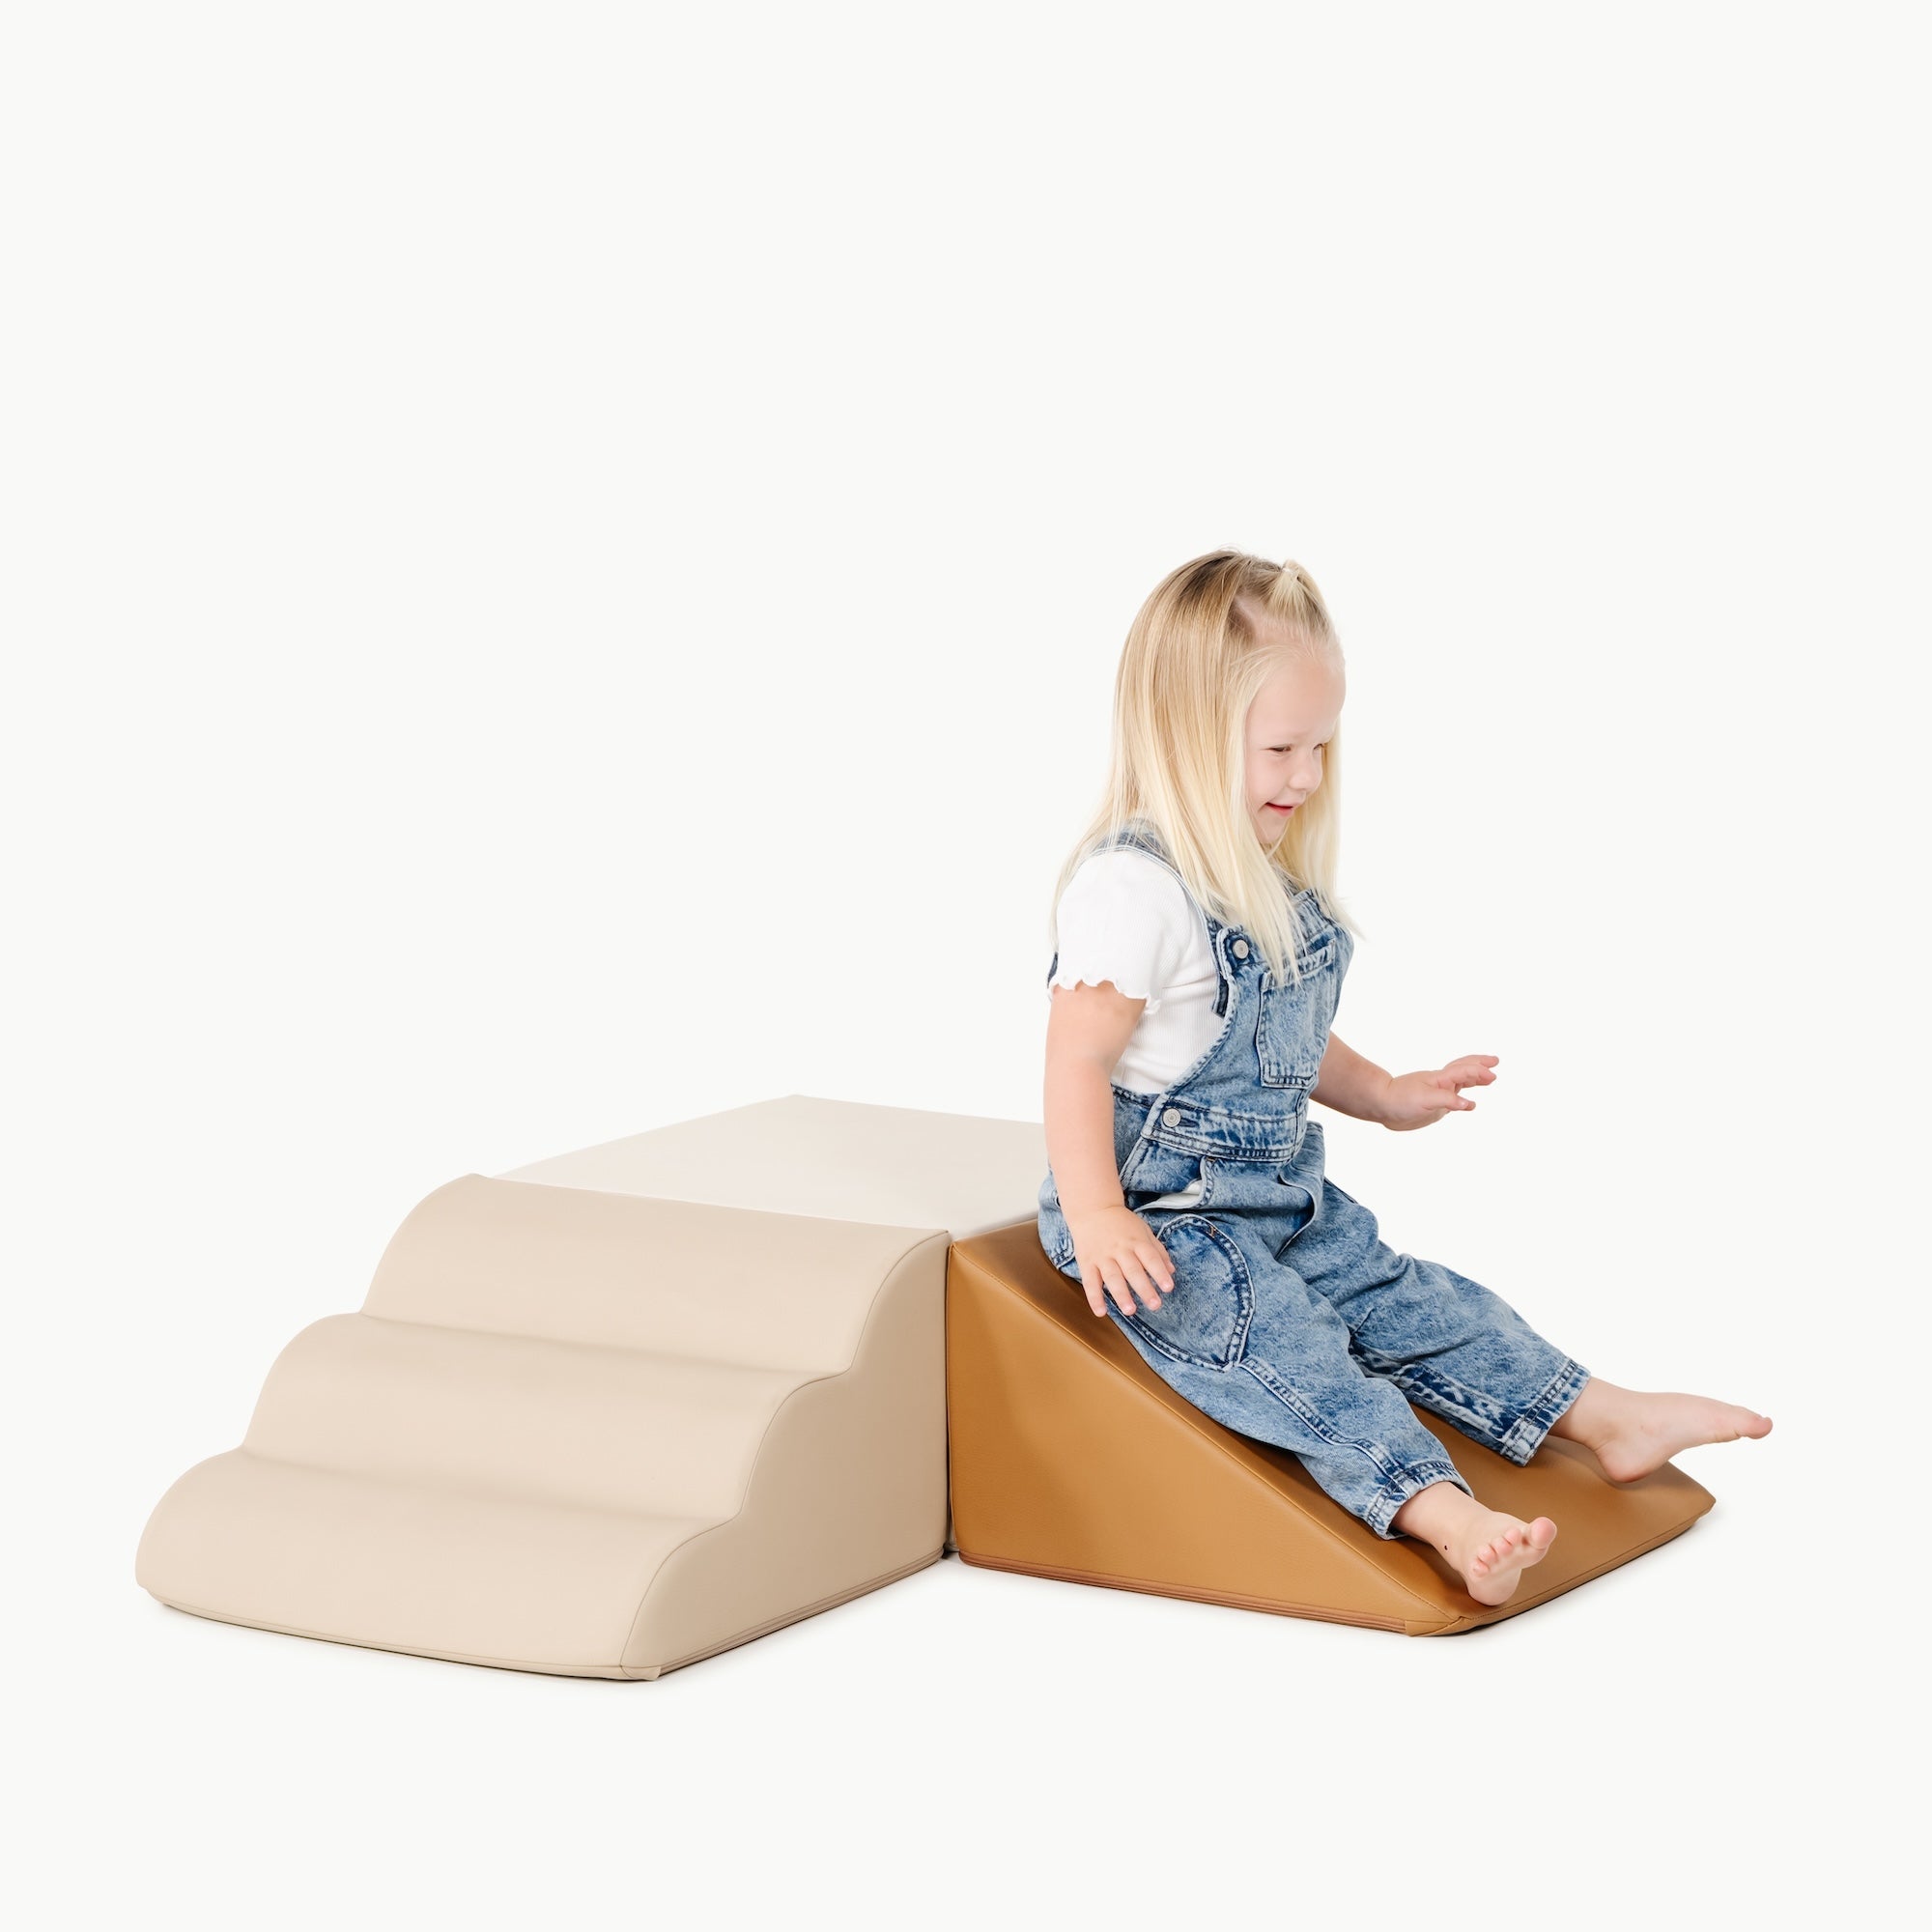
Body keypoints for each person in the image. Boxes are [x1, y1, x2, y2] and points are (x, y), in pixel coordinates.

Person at [1037, 550, 1772, 1607]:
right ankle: (1442, 1513)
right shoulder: (1130, 889)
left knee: (1413, 1299)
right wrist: (1098, 1213)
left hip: (1280, 1198)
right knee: (1285, 1348)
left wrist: (1384, 1093)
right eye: (1280, 748)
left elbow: (1281, 1044)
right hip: (1166, 1224)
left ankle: (1602, 1413)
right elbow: (1076, 1059)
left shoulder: (1254, 880)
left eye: (1320, 746)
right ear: (1184, 737)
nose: (1306, 776)